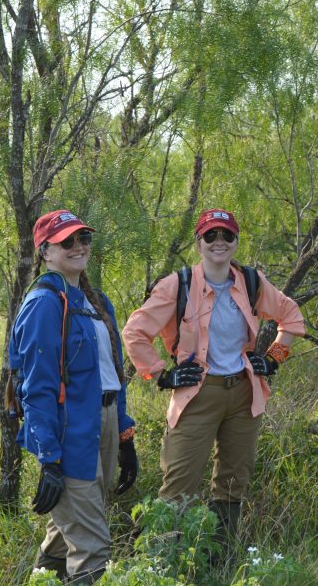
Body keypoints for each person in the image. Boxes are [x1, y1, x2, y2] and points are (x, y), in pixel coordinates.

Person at [122, 208, 304, 541]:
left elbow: (290, 316)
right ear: (199, 243)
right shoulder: (178, 284)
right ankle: (152, 562)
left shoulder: (251, 282)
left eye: (226, 235)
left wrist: (274, 358)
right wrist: (163, 374)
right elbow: (135, 332)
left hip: (244, 394)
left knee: (233, 484)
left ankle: (218, 560)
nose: (219, 242)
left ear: (235, 241)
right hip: (198, 395)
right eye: (211, 235)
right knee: (179, 485)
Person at [9, 210, 138, 586]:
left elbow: (113, 373)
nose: (78, 247)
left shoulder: (96, 301)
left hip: (105, 420)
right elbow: (36, 388)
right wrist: (49, 458)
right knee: (93, 544)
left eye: (84, 238)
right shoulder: (44, 303)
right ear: (45, 252)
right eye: (67, 241)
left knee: (68, 532)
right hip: (69, 434)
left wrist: (125, 434)